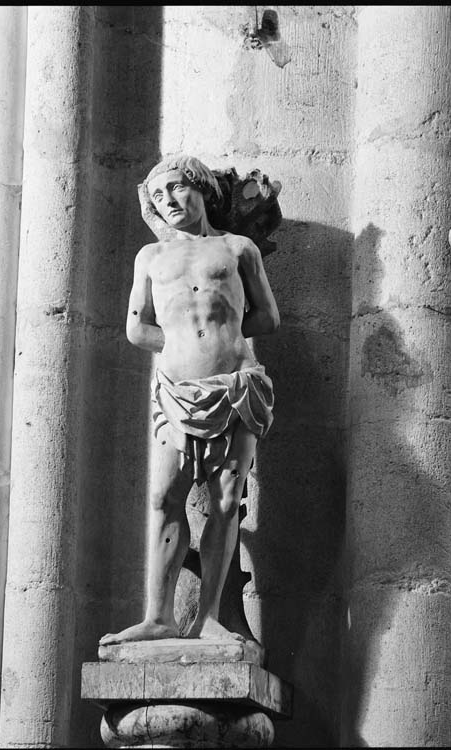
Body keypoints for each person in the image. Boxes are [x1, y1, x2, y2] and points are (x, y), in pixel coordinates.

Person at [100, 155, 279, 644]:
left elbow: (268, 317)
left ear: (200, 189)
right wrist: (181, 345)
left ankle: (210, 619)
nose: (170, 202)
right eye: (159, 196)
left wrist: (223, 342)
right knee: (164, 496)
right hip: (176, 391)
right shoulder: (151, 258)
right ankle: (158, 617)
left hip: (236, 386)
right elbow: (137, 326)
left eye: (177, 188)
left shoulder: (238, 248)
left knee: (226, 500)